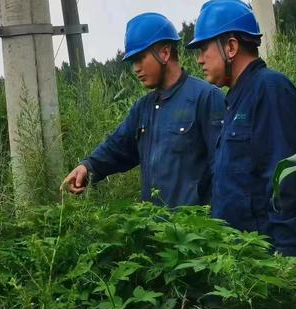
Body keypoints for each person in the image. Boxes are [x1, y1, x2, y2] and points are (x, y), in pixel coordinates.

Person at [186, 0, 296, 271]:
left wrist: (289, 262)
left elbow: (286, 182)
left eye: (204, 48)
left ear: (231, 46)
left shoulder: (270, 90)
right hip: (246, 267)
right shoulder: (236, 99)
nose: (200, 59)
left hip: (274, 267)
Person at [60, 12, 225, 207]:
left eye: (140, 58)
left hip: (195, 232)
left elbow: (223, 168)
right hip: (154, 229)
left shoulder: (205, 98)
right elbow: (117, 147)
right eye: (132, 62)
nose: (136, 68)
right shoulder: (143, 108)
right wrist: (87, 167)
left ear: (164, 53)